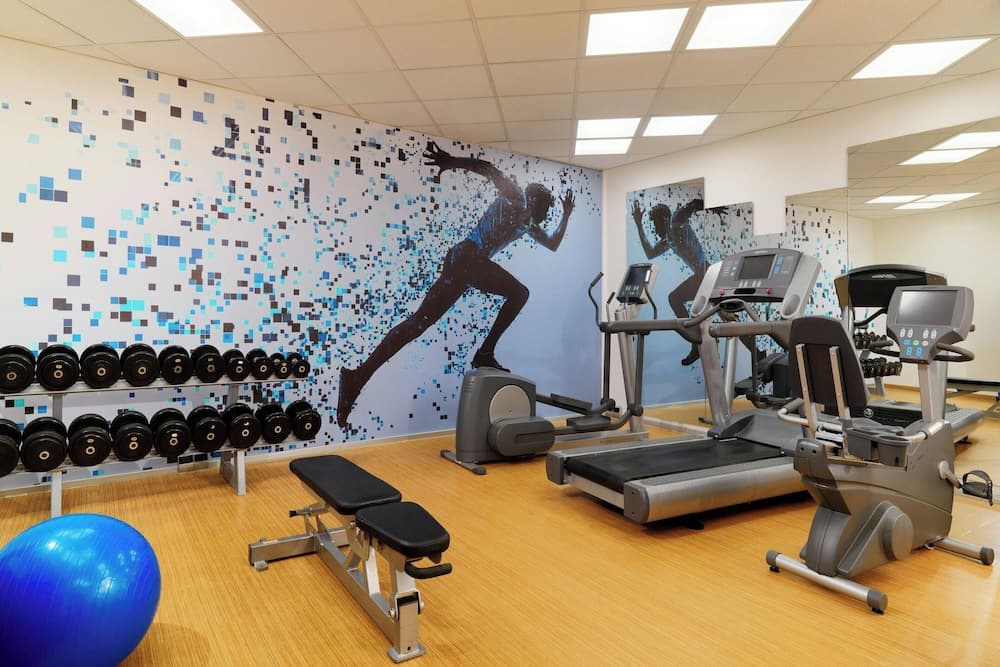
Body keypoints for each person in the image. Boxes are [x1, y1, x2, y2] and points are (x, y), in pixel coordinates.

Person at [337, 141, 575, 428]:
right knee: (518, 293)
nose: (547, 214)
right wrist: (450, 162)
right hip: (467, 257)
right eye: (547, 208)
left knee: (418, 324)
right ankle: (484, 353)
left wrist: (566, 215)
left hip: (466, 263)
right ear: (534, 201)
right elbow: (488, 169)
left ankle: (357, 377)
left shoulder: (527, 224)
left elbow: (553, 243)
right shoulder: (518, 199)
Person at [632, 197, 707, 365]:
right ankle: (758, 353)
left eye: (655, 224)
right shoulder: (668, 240)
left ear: (665, 219)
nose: (654, 229)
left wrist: (713, 207)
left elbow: (695, 203)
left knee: (674, 298)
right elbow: (650, 253)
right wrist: (638, 224)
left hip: (705, 274)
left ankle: (696, 343)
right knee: (726, 317)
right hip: (703, 276)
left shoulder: (676, 220)